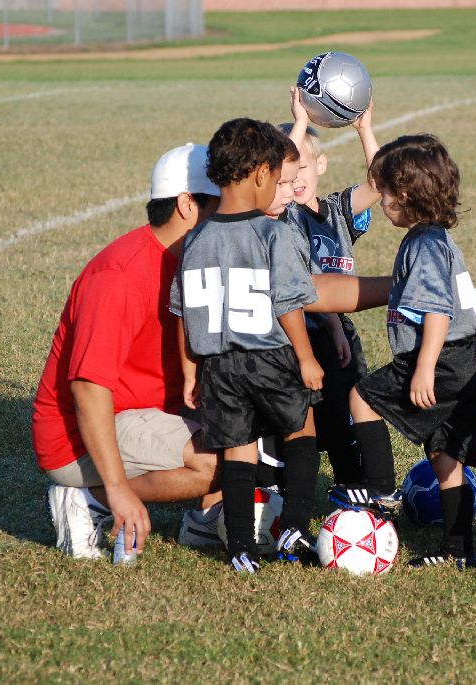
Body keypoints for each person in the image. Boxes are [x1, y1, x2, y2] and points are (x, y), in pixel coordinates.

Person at [32, 143, 224, 561]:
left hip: (147, 410)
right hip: (77, 436)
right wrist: (118, 489)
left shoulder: (192, 259)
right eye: (219, 205)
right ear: (187, 205)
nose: (228, 216)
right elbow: (88, 387)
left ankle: (207, 520)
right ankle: (89, 500)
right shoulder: (118, 274)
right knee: (219, 460)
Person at [170, 118, 324, 573]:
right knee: (302, 430)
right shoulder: (273, 233)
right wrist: (306, 357)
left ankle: (239, 546)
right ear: (261, 175)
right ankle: (294, 524)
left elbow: (182, 312)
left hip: (219, 365)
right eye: (278, 178)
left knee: (238, 449)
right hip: (271, 356)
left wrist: (190, 372)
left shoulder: (195, 238)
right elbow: (288, 303)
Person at [334, 134, 476, 570]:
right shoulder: (433, 237)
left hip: (440, 358)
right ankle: (458, 548)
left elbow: (438, 311)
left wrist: (424, 368)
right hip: (465, 361)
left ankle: (381, 491)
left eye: (385, 192)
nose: (381, 200)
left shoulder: (423, 245)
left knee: (361, 398)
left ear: (403, 196)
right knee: (445, 455)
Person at [281, 87, 382, 486]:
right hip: (297, 333)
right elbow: (279, 174)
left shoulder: (338, 210)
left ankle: (353, 490)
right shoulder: (281, 215)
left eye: (303, 167)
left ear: (320, 165)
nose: (295, 179)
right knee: (300, 423)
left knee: (346, 418)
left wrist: (364, 129)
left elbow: (379, 184)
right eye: (288, 173)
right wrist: (300, 122)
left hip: (340, 333)